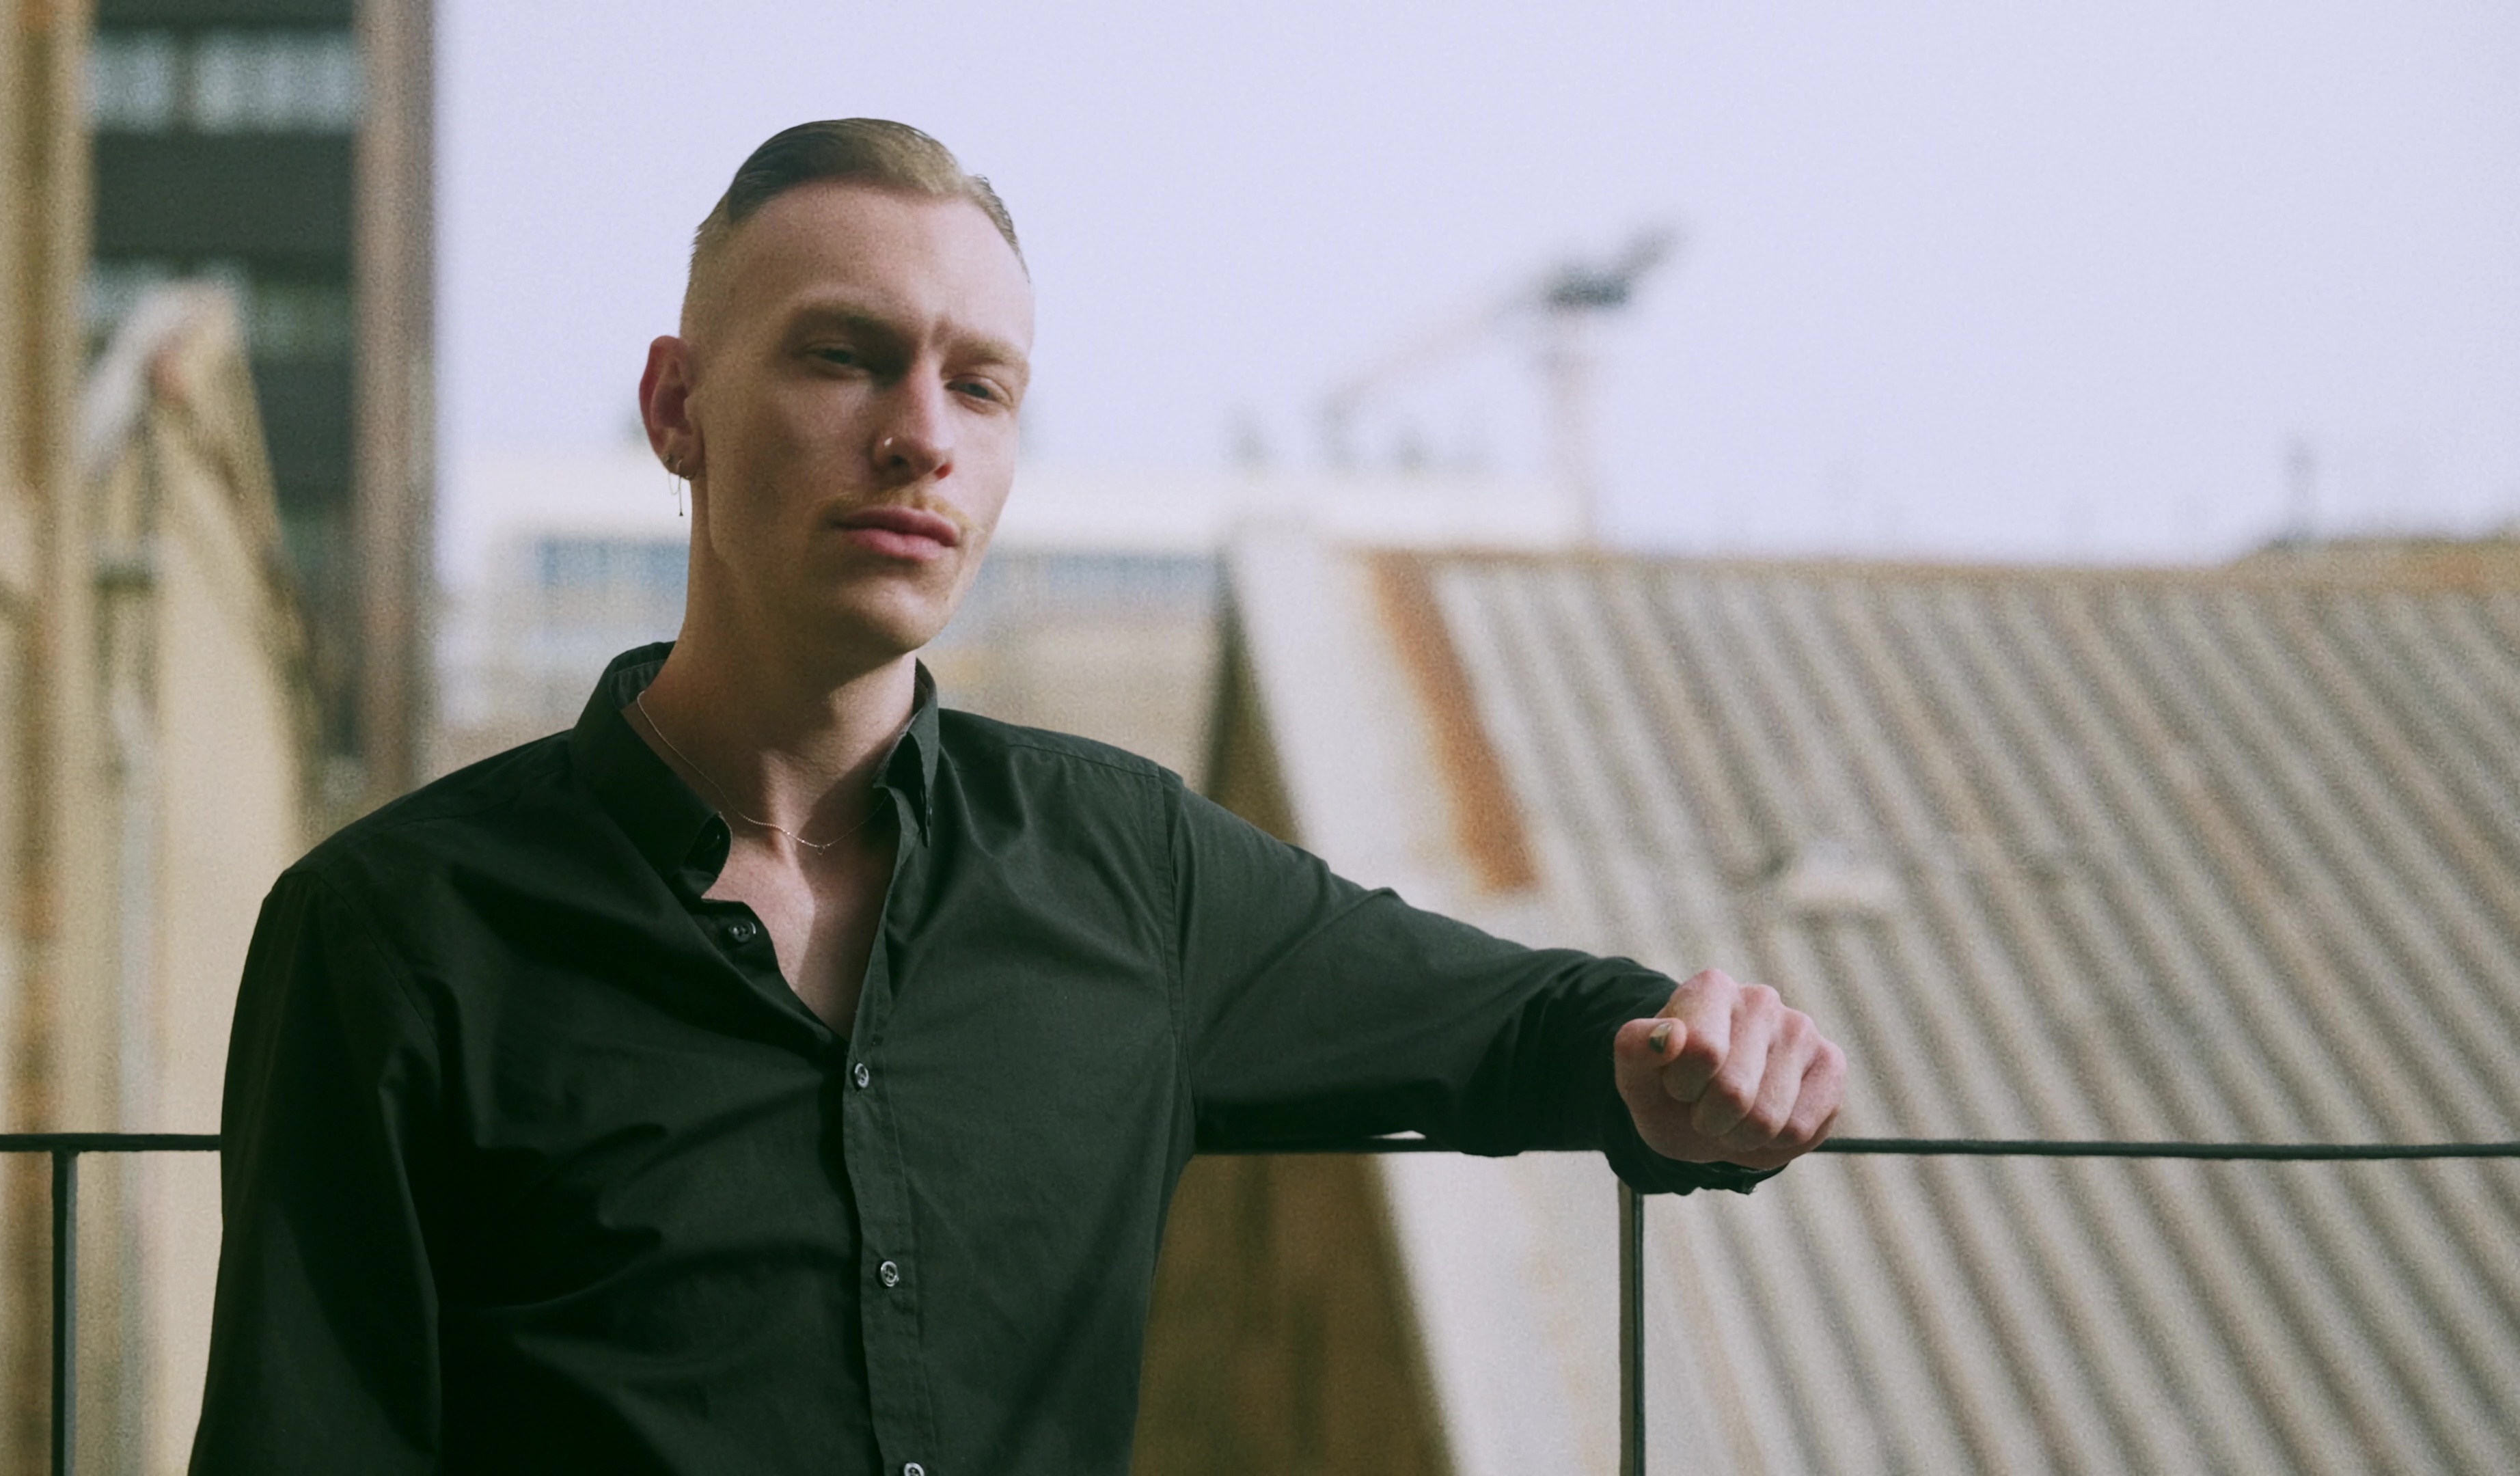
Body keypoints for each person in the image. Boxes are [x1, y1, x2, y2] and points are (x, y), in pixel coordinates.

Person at [189, 118, 1845, 1475]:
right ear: (677, 408)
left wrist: (1692, 1060)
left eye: (980, 385)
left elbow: (1529, 1026)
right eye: (844, 358)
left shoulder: (1127, 868)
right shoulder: (392, 930)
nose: (922, 436)